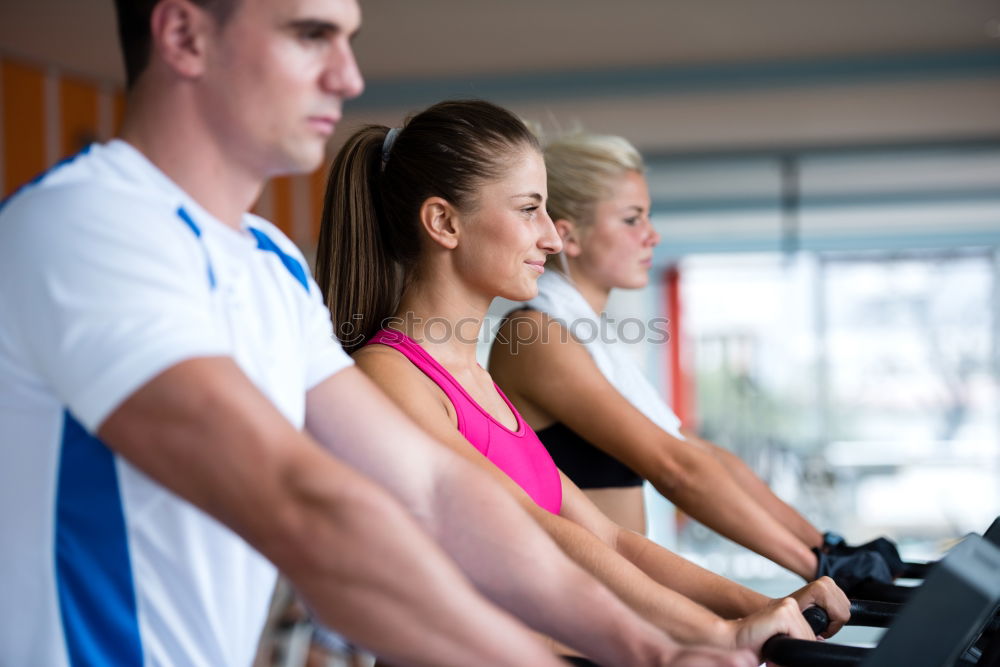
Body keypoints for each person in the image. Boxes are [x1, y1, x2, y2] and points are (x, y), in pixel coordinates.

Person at [0, 1, 752, 665]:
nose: (349, 75)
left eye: (348, 37)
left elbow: (434, 489)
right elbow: (307, 506)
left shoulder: (268, 262)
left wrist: (657, 650)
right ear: (184, 35)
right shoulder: (87, 225)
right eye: (311, 34)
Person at [316, 99, 851, 665]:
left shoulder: (476, 379)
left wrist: (760, 607)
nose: (550, 237)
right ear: (444, 223)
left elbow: (611, 539)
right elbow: (531, 529)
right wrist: (715, 633)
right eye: (529, 209)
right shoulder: (390, 375)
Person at [487, 130, 902, 593]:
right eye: (631, 219)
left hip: (606, 596)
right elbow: (675, 469)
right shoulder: (536, 334)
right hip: (562, 605)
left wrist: (826, 546)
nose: (652, 235)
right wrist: (814, 568)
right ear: (569, 236)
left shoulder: (586, 335)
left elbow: (700, 454)